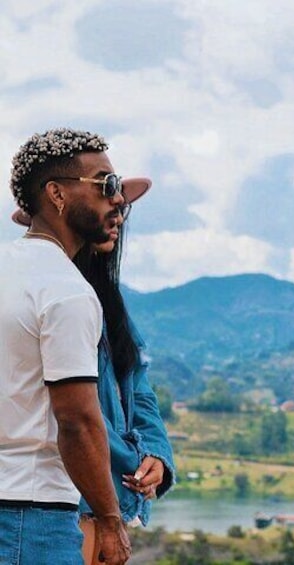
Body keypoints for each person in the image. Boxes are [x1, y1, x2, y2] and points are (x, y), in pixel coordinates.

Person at [13, 178, 176, 564]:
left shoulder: (110, 307)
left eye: (121, 209)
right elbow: (78, 415)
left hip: (104, 493)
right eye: (107, 206)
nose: (116, 215)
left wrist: (156, 454)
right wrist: (129, 464)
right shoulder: (54, 298)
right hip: (66, 494)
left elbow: (138, 389)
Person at [0, 128, 132, 564]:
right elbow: (76, 420)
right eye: (106, 184)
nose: (118, 198)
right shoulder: (65, 291)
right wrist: (110, 520)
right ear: (57, 194)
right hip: (31, 515)